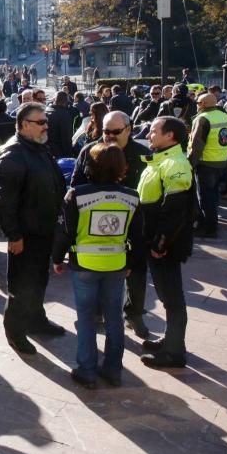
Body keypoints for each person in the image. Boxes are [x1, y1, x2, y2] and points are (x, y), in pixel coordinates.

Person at [52, 143, 142, 389]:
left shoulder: (77, 195)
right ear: (121, 168)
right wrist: (131, 264)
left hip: (84, 266)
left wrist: (57, 259)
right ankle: (113, 370)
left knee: (86, 318)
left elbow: (64, 232)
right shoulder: (131, 197)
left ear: (89, 166)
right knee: (114, 318)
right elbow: (137, 235)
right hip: (116, 265)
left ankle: (87, 370)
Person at [0, 103, 66, 355]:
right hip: (25, 234)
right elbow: (2, 201)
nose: (47, 125)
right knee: (21, 286)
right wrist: (13, 235)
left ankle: (36, 320)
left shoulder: (37, 148)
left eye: (46, 121)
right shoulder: (13, 153)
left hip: (43, 229)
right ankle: (15, 331)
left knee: (38, 280)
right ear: (25, 125)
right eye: (41, 122)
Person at [137, 116, 195, 369]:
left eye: (153, 131)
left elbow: (176, 211)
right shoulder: (162, 159)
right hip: (155, 242)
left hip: (166, 246)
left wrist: (160, 244)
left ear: (170, 136)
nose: (149, 135)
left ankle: (174, 352)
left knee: (172, 297)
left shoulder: (175, 164)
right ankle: (171, 341)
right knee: (166, 295)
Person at [187, 93, 227, 237]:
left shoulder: (202, 119)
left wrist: (190, 164)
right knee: (213, 195)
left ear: (203, 104)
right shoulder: (223, 115)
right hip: (220, 161)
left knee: (205, 197)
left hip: (206, 162)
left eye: (198, 103)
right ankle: (208, 224)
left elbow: (197, 145)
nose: (196, 105)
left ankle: (209, 229)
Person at [46, 91, 80, 158]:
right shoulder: (64, 114)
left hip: (47, 149)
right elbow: (66, 135)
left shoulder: (46, 111)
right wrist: (69, 154)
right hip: (59, 152)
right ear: (66, 101)